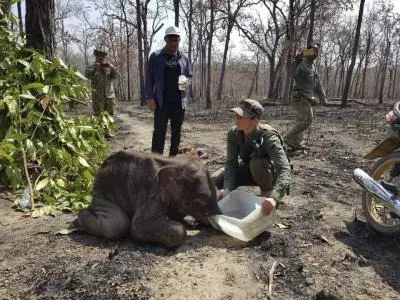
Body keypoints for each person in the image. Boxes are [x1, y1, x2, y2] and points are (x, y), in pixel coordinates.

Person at [211, 99, 292, 216]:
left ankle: (267, 195)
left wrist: (275, 197)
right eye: (236, 116)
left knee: (257, 163)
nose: (236, 119)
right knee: (217, 180)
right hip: (248, 169)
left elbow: (284, 168)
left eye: (241, 117)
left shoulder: (268, 136)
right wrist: (227, 188)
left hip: (267, 173)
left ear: (254, 120)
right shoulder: (233, 133)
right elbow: (231, 163)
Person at [145, 25, 192, 156]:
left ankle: (173, 159)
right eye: (171, 39)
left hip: (179, 102)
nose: (173, 42)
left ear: (179, 40)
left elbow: (190, 76)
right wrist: (149, 97)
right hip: (161, 102)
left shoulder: (184, 58)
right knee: (159, 131)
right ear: (165, 39)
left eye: (176, 39)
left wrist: (186, 83)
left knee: (176, 131)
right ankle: (155, 159)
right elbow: (149, 78)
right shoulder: (156, 56)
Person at [284, 44, 327, 150]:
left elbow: (318, 83)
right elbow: (291, 74)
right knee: (307, 119)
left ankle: (297, 143)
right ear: (308, 52)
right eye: (313, 51)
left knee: (301, 119)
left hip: (307, 96)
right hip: (298, 94)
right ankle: (288, 137)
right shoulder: (301, 63)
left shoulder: (313, 66)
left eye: (317, 52)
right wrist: (297, 60)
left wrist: (323, 97)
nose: (316, 54)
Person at [85, 49, 117, 116]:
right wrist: (94, 69)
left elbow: (115, 77)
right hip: (98, 99)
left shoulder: (108, 67)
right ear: (96, 56)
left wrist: (112, 68)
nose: (101, 58)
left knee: (110, 118)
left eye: (103, 56)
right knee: (99, 118)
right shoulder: (90, 67)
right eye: (99, 56)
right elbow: (87, 76)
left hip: (109, 97)